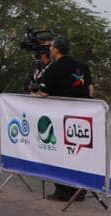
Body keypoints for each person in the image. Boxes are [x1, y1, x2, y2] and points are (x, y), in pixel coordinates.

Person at [39, 35, 93, 201]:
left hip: (61, 118)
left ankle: (63, 191)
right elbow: (91, 89)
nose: (49, 50)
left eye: (51, 47)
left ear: (56, 50)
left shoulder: (53, 68)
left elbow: (43, 92)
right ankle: (79, 190)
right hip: (83, 118)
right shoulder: (83, 66)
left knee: (60, 153)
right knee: (78, 153)